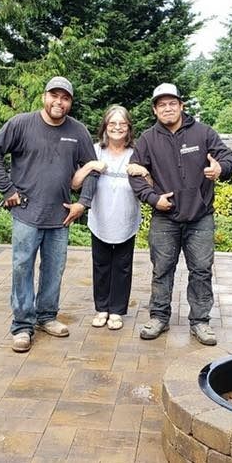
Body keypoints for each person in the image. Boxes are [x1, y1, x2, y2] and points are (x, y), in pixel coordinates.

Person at [0, 76, 98, 353]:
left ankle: (47, 316)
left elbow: (92, 166)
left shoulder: (77, 131)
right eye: (54, 96)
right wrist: (6, 188)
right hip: (26, 212)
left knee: (54, 269)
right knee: (22, 267)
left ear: (70, 102)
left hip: (60, 215)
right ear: (44, 97)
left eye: (65, 98)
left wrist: (83, 202)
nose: (59, 102)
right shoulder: (21, 124)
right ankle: (22, 325)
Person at [128, 83, 232, 346]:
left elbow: (228, 157)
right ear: (155, 110)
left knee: (200, 270)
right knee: (162, 270)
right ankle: (159, 317)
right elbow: (135, 172)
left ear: (181, 105)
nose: (168, 108)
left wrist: (220, 168)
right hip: (165, 218)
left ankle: (200, 321)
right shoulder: (147, 140)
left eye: (172, 103)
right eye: (162, 104)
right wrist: (154, 199)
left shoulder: (203, 133)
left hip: (200, 217)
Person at [72, 105, 145, 331]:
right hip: (100, 219)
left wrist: (144, 172)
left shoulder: (137, 153)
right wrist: (91, 166)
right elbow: (75, 183)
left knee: (123, 266)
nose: (117, 128)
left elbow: (150, 185)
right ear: (105, 126)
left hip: (126, 218)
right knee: (101, 265)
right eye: (112, 123)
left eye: (122, 124)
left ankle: (117, 311)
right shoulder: (94, 151)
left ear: (129, 128)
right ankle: (102, 308)